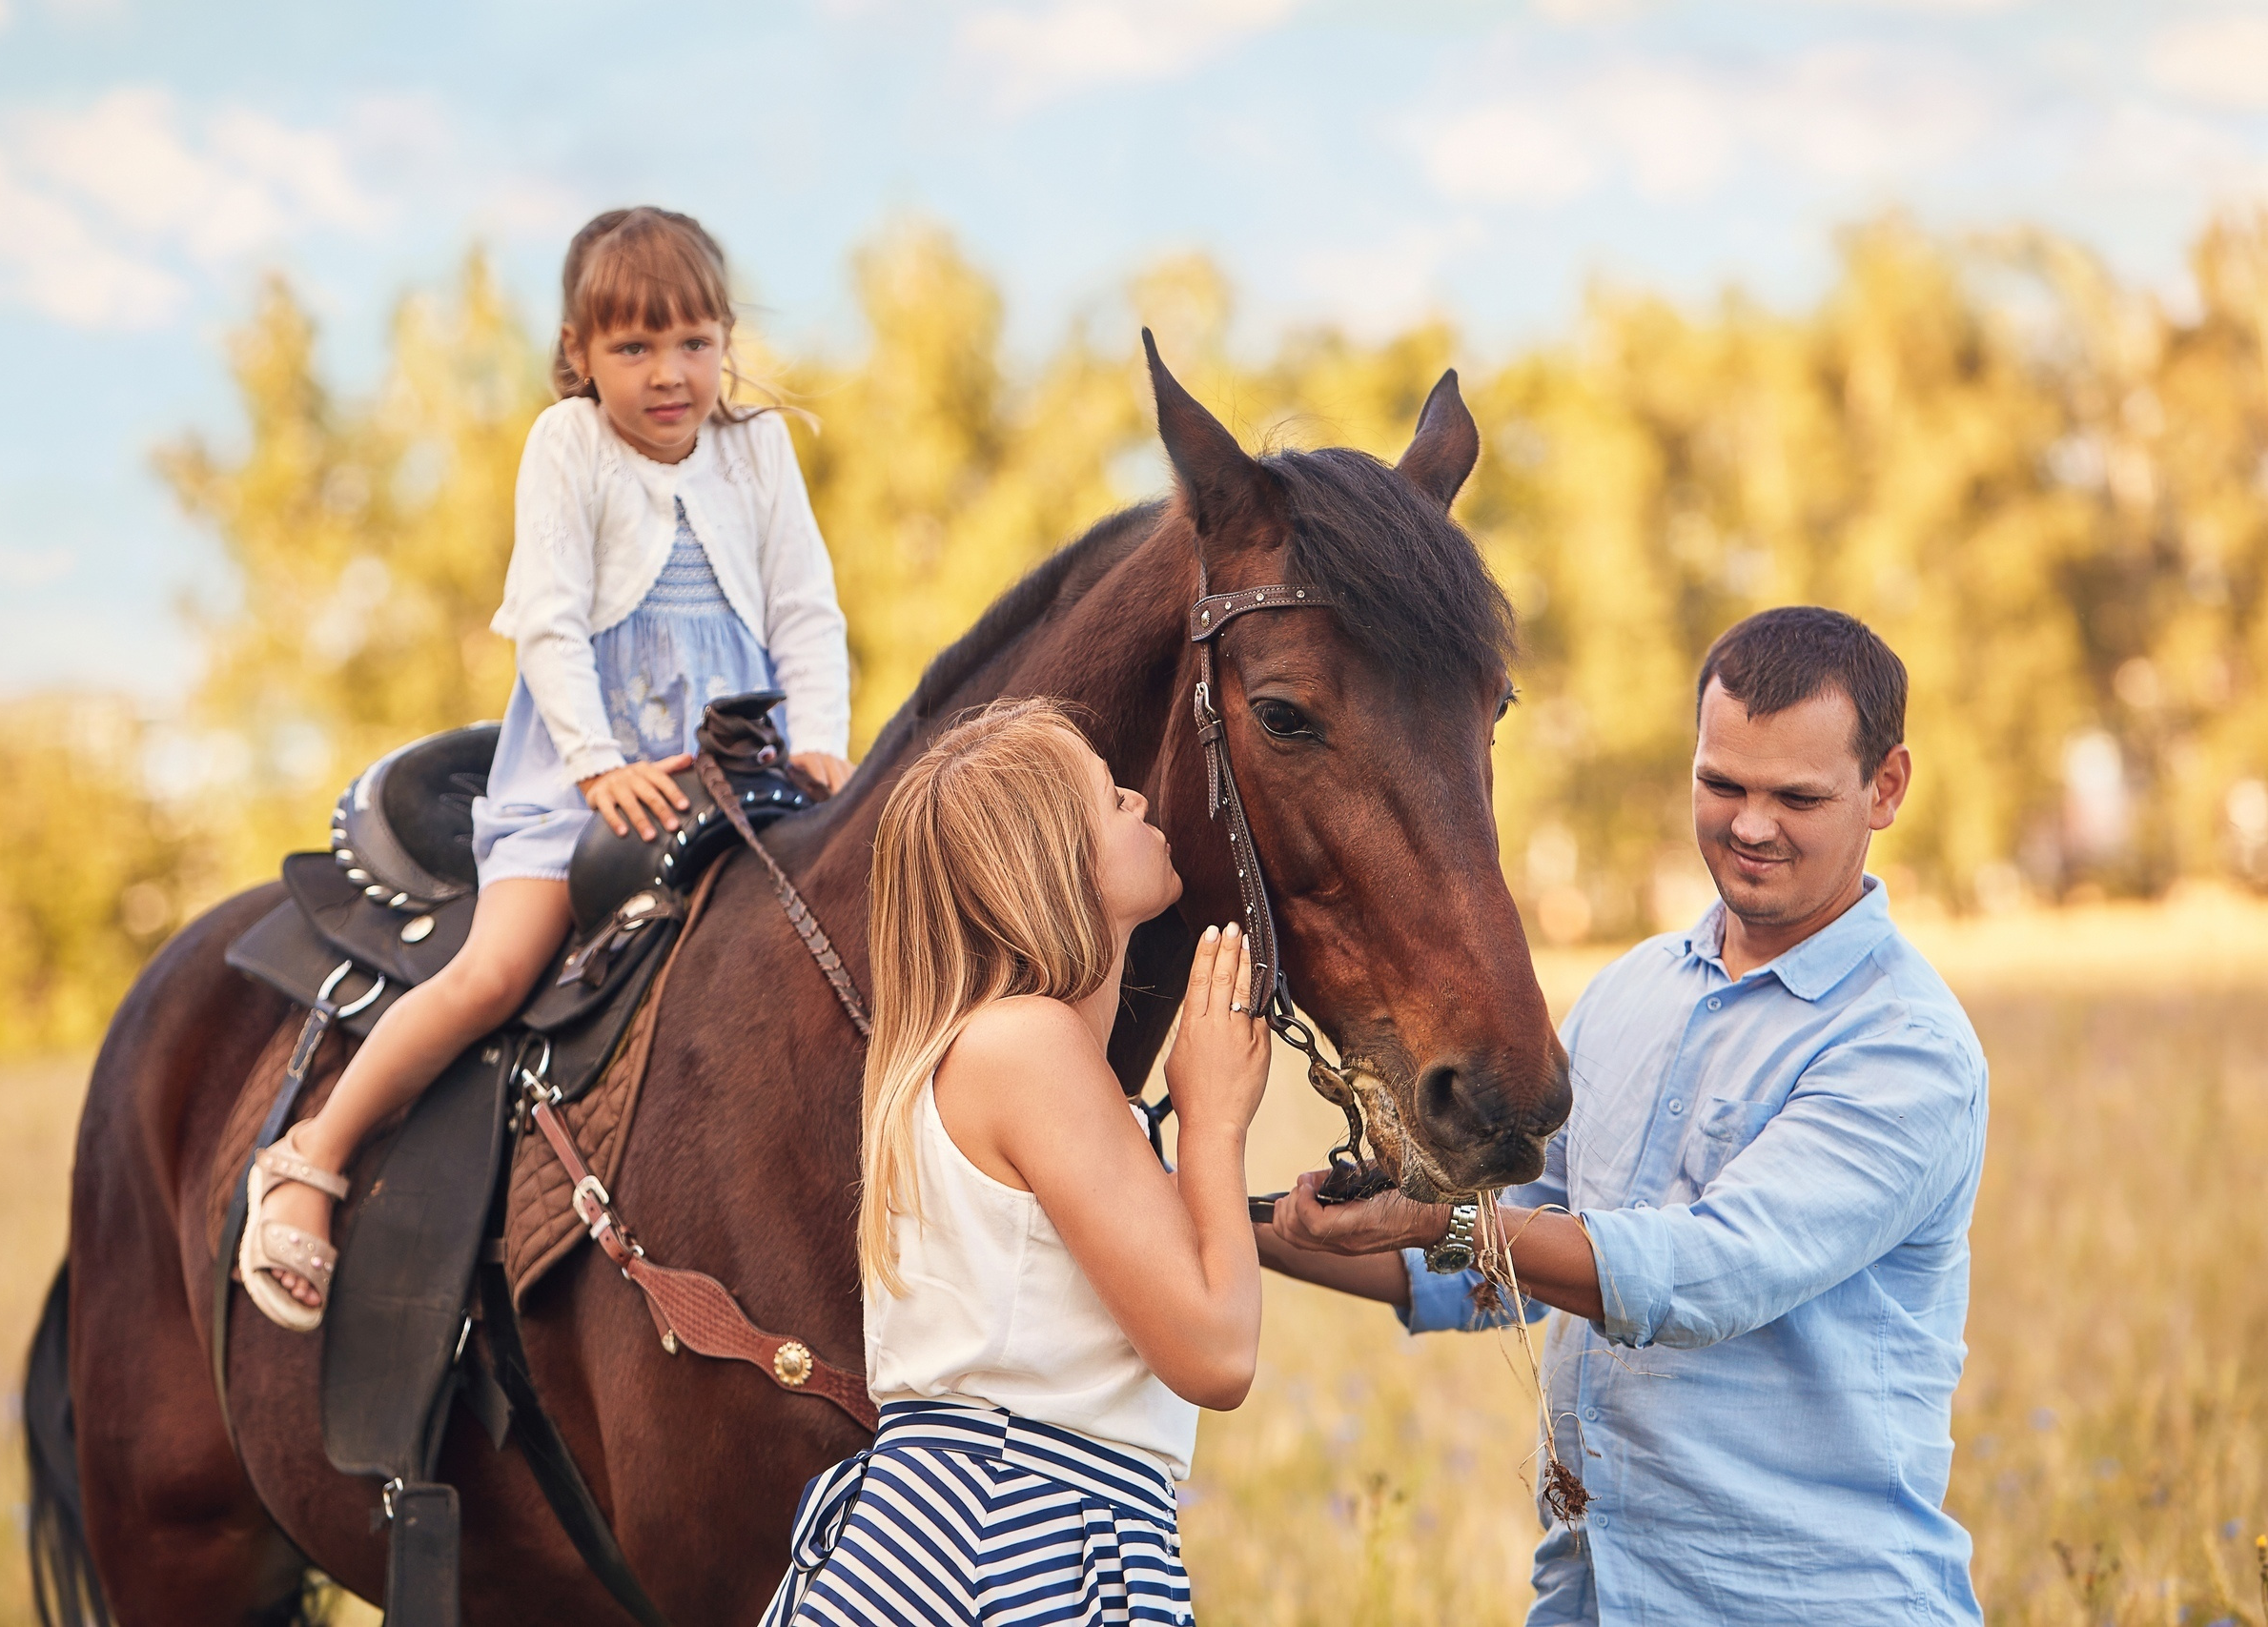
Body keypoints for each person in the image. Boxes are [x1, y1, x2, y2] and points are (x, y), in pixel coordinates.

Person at [1259, 606, 1990, 1625]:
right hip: (1593, 1598)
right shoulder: (1630, 994)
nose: (1749, 824)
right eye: (1721, 783)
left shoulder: (1905, 1047)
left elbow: (1707, 1274)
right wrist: (1224, 1218)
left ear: (1886, 788)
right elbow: (1503, 1271)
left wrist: (1442, 1220)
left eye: (1796, 796)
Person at [240, 207, 853, 1332]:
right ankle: (312, 1155)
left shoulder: (757, 451)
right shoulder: (567, 448)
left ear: (725, 339)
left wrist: (820, 739)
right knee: (497, 969)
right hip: (587, 784)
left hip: (738, 777)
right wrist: (597, 764)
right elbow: (553, 629)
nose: (669, 376)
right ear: (579, 354)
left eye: (693, 344)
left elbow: (805, 611)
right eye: (632, 349)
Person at [759, 699, 1270, 1624]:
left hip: (1015, 1521)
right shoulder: (1027, 1048)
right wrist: (1214, 1124)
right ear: (1048, 861)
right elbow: (1215, 1352)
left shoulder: (1004, 1057)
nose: (1131, 794)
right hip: (1015, 1533)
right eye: (1101, 795)